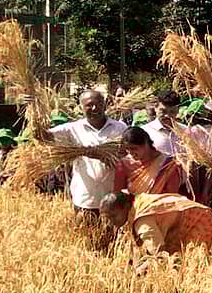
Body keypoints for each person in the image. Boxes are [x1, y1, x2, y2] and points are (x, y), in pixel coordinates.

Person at [39, 90, 129, 236]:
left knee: (113, 240)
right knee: (87, 238)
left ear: (105, 104)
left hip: (113, 197)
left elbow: (128, 155)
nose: (94, 108)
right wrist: (34, 111)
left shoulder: (120, 128)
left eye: (99, 104)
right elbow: (44, 137)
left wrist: (104, 156)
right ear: (81, 107)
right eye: (89, 105)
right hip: (85, 198)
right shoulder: (72, 129)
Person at [100, 191, 212, 266]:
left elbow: (160, 254)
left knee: (192, 265)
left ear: (125, 207)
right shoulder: (134, 204)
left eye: (113, 216)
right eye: (108, 218)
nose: (111, 222)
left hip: (199, 218)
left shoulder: (143, 221)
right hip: (180, 222)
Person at [113, 126, 182, 195]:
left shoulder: (168, 164)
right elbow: (118, 192)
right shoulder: (125, 164)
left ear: (146, 144)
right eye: (127, 149)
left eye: (133, 148)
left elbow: (172, 195)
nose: (130, 152)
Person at [142, 90, 184, 157]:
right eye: (163, 111)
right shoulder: (144, 132)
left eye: (172, 112)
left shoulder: (186, 131)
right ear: (155, 108)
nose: (167, 115)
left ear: (178, 110)